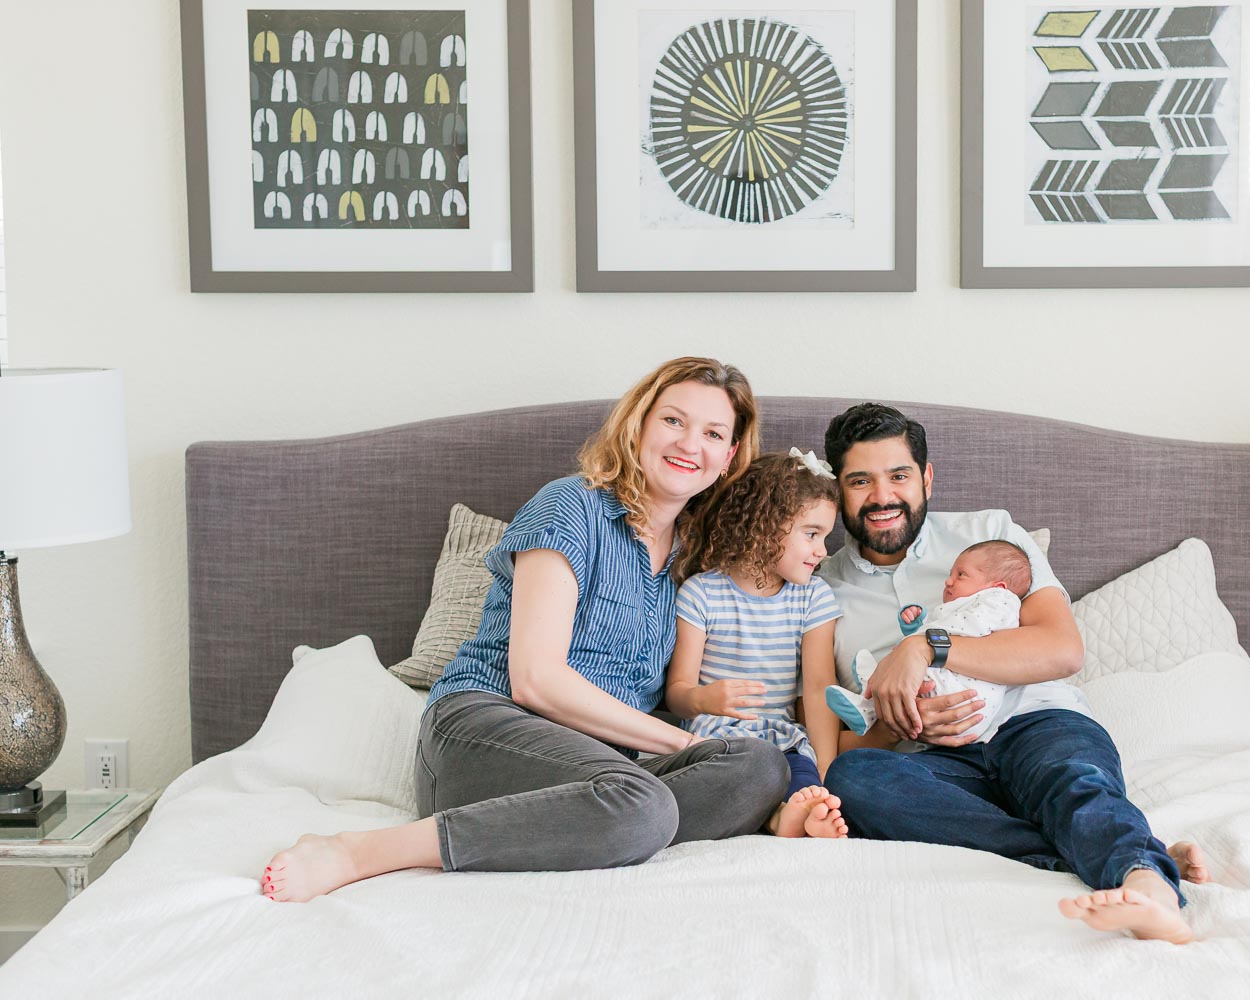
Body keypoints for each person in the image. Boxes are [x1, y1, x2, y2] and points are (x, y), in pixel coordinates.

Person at [261, 358, 788, 902]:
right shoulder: (571, 506)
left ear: (727, 458)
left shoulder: (691, 562)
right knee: (644, 803)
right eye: (673, 421)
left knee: (759, 766)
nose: (689, 443)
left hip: (595, 771)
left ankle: (601, 821)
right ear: (638, 426)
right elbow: (536, 680)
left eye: (712, 433)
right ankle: (361, 851)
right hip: (486, 730)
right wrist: (685, 744)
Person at [817, 403, 1209, 945]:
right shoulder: (817, 586)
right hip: (933, 765)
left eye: (899, 476)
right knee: (853, 780)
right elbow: (834, 739)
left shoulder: (992, 534)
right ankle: (1126, 848)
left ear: (927, 477)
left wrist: (925, 648)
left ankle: (1150, 892)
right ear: (839, 489)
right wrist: (900, 721)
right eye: (861, 481)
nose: (882, 497)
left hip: (1034, 722)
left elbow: (1061, 649)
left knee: (1072, 780)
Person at [665, 449, 849, 840]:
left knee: (798, 776)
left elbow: (818, 688)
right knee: (733, 774)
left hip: (780, 738)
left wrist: (824, 771)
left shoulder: (813, 598)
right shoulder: (702, 594)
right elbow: (677, 694)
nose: (823, 550)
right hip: (715, 740)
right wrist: (704, 699)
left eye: (826, 536)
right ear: (763, 527)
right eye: (812, 534)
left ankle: (796, 811)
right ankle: (775, 816)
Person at [825, 539, 1039, 741]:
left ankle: (871, 694)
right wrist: (916, 627)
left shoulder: (1000, 602)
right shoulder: (967, 607)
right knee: (899, 671)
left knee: (901, 668)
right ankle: (870, 703)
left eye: (961, 575)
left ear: (997, 587)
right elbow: (945, 638)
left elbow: (964, 631)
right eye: (951, 574)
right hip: (952, 706)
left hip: (967, 701)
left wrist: (920, 639)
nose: (948, 581)